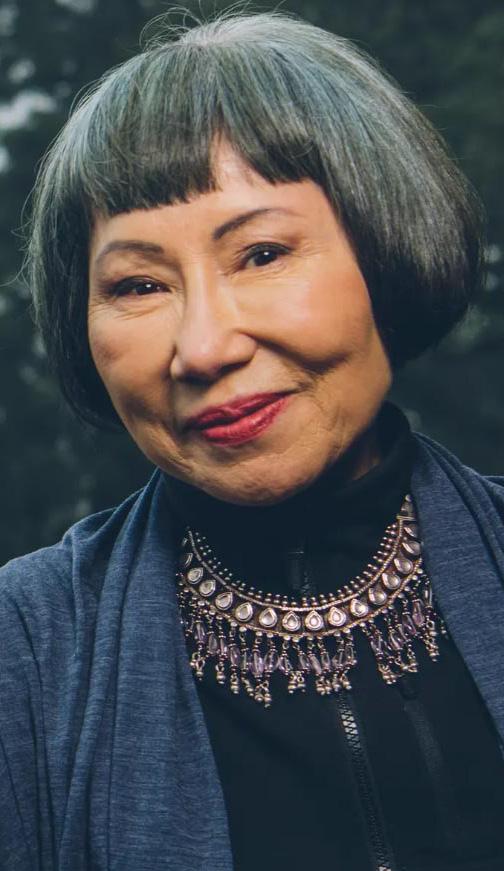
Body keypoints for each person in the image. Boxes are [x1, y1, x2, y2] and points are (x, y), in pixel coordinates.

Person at [1, 9, 504, 871]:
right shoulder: (25, 646)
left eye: (262, 254)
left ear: (387, 251)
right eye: (139, 284)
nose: (203, 348)